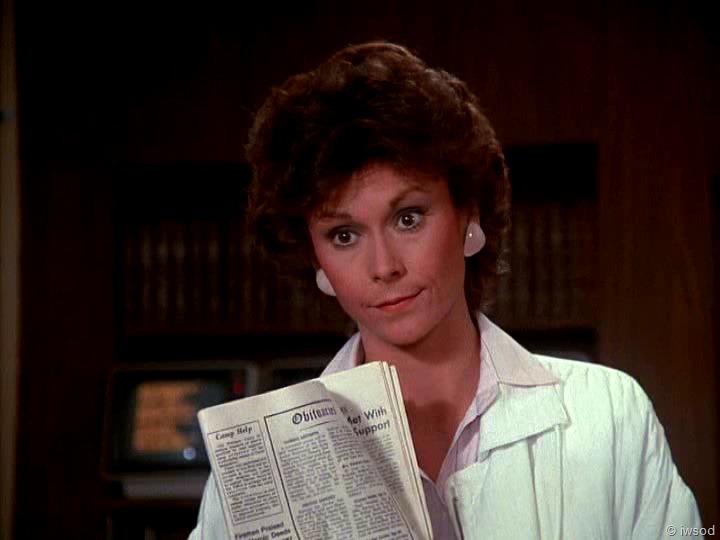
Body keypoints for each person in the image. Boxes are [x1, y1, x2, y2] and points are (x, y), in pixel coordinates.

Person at [189, 41, 702, 539]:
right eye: (343, 235)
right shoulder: (263, 461)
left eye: (408, 218)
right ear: (315, 258)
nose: (383, 267)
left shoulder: (608, 413)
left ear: (468, 215)